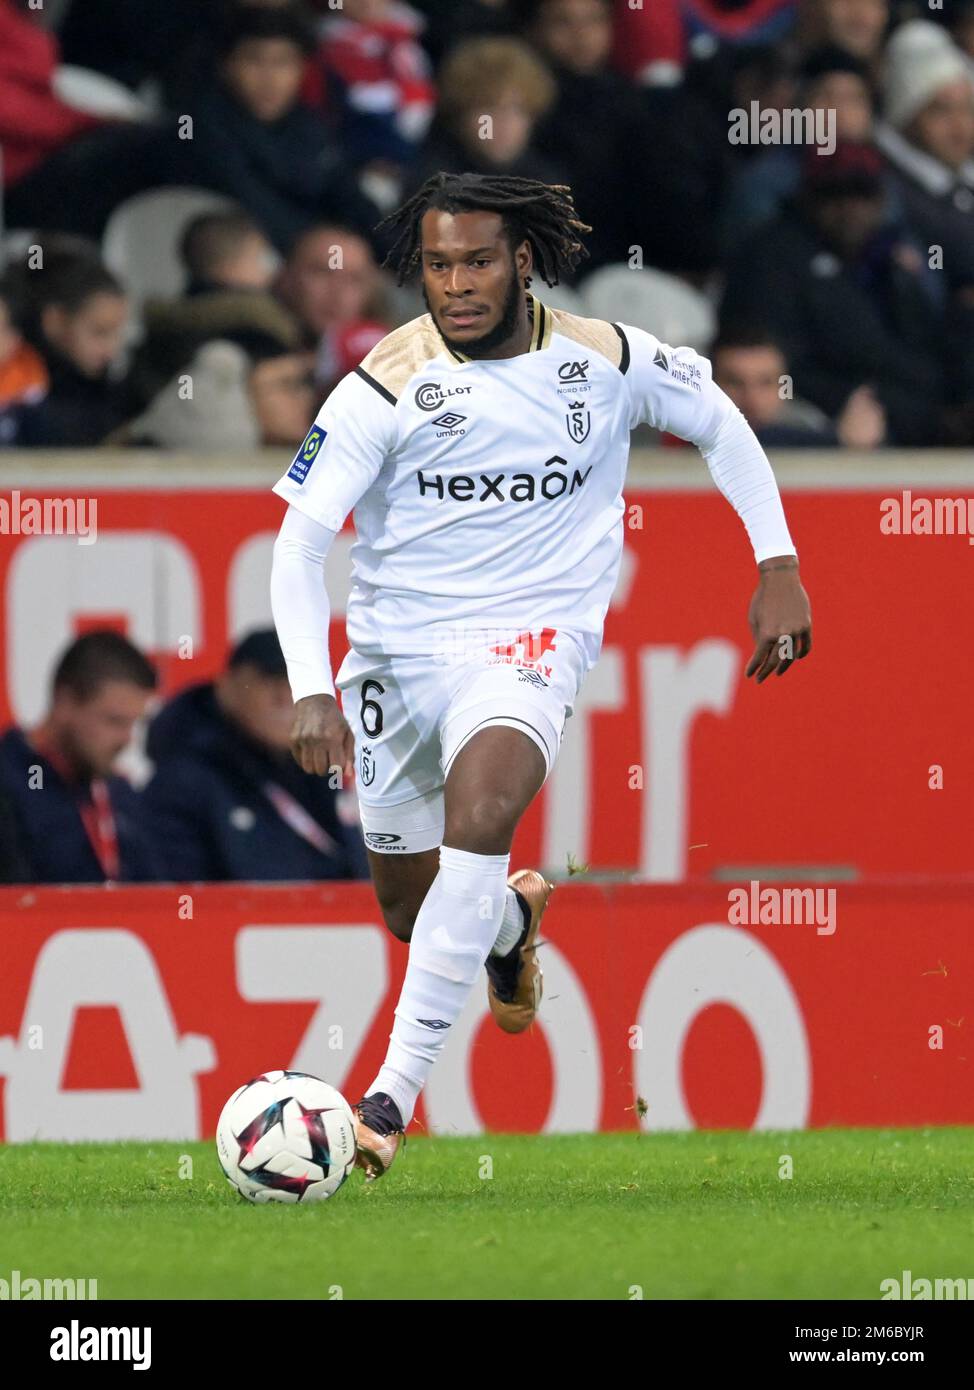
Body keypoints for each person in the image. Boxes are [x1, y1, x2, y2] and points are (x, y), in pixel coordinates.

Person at [269, 171, 811, 1181]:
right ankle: (510, 920)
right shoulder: (385, 382)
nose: (455, 284)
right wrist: (311, 687)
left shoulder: (603, 359)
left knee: (482, 816)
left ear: (521, 261)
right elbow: (299, 545)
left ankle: (386, 1102)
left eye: (476, 262)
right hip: (395, 658)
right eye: (438, 265)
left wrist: (775, 564)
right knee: (412, 909)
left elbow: (720, 423)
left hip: (529, 641)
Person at [142, 630, 367, 881]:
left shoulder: (323, 772)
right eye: (270, 680)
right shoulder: (181, 784)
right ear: (226, 685)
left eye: (297, 682)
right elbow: (176, 892)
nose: (285, 696)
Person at [185, 5, 381, 254]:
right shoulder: (201, 128)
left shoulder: (310, 125)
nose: (270, 78)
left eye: (283, 62)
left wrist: (399, 253)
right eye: (254, 60)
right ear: (225, 66)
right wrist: (328, 247)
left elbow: (350, 197)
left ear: (303, 69)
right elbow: (257, 209)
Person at [0, 631, 161, 883]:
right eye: (114, 721)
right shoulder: (11, 782)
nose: (127, 739)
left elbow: (156, 892)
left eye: (134, 723)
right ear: (64, 701)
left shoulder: (120, 794)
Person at [14, 252, 133, 448]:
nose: (111, 350)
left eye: (117, 334)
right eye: (100, 332)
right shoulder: (21, 393)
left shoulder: (112, 395)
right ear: (55, 321)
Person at [711, 325, 886, 448]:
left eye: (766, 382)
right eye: (734, 382)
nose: (751, 398)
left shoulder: (808, 423)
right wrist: (838, 441)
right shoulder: (693, 426)